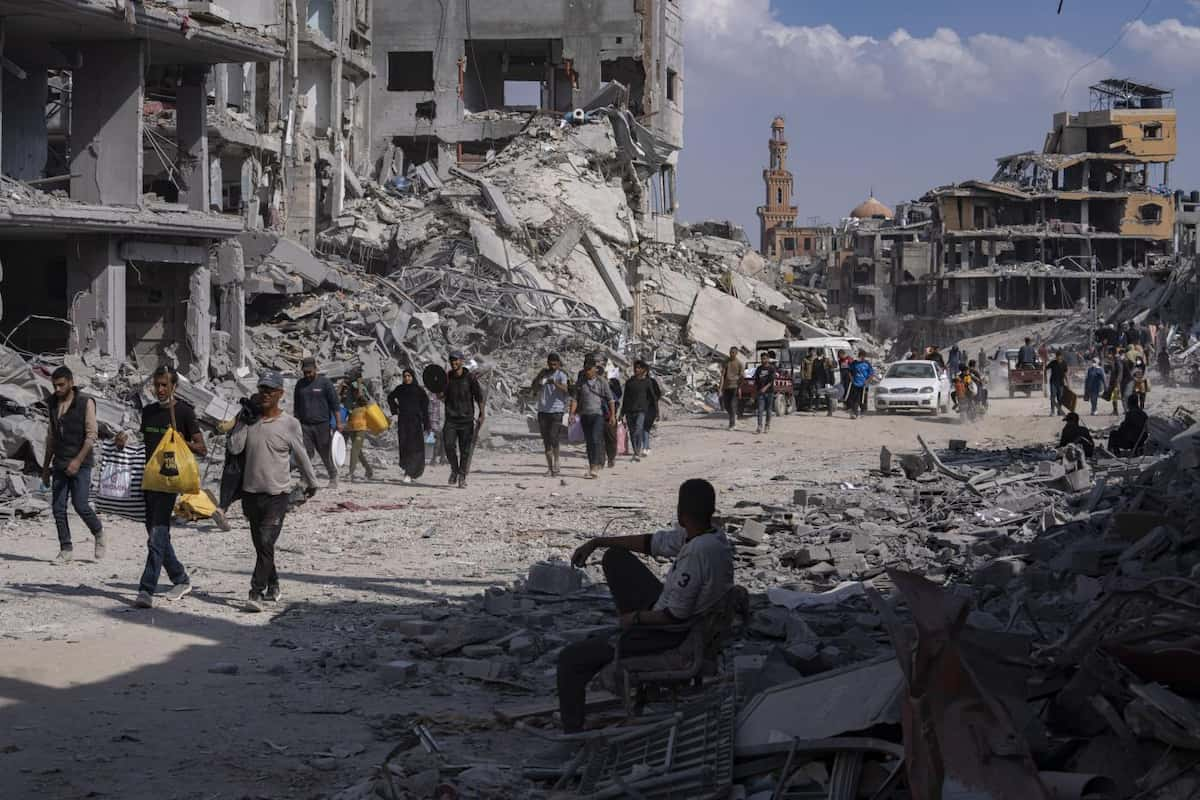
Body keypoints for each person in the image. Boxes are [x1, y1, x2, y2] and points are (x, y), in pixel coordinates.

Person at [557, 479, 734, 734]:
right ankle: (627, 632)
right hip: (678, 612)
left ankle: (574, 731)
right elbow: (653, 543)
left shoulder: (698, 553)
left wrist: (636, 619)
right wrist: (599, 542)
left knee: (571, 659)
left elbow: (675, 615)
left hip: (671, 634)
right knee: (616, 557)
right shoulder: (711, 536)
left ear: (681, 513)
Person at [228, 372, 319, 611]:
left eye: (270, 390)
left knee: (267, 541)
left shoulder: (289, 423)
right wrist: (242, 421)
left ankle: (255, 592)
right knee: (262, 546)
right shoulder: (251, 420)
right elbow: (234, 447)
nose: (265, 394)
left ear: (280, 394)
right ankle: (274, 583)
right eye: (262, 389)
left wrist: (312, 482)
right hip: (250, 493)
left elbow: (301, 455)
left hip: (277, 495)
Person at [124, 366, 207, 609]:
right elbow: (144, 445)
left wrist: (184, 442)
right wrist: (122, 441)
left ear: (174, 387)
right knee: (156, 534)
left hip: (170, 482)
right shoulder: (148, 412)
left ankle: (145, 589)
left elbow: (201, 448)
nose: (160, 390)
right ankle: (180, 578)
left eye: (164, 385)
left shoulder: (184, 412)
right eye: (156, 385)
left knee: (157, 535)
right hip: (149, 480)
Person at [43, 366, 104, 564]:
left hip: (82, 462)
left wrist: (77, 461)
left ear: (70, 382)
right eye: (55, 385)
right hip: (60, 462)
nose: (58, 389)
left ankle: (98, 532)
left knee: (80, 504)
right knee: (58, 508)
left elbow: (91, 435)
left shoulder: (85, 402)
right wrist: (45, 467)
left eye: (61, 385)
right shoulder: (52, 403)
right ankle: (66, 549)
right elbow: (51, 436)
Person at [293, 357, 342, 489]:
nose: (307, 375)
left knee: (325, 452)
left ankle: (333, 476)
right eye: (305, 372)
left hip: (322, 425)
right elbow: (296, 406)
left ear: (315, 369)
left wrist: (338, 423)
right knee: (305, 453)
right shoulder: (300, 384)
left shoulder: (325, 383)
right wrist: (295, 423)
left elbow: (335, 404)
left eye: (310, 371)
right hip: (305, 425)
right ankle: (304, 479)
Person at [442, 351, 485, 489]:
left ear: (462, 361)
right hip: (451, 419)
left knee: (465, 450)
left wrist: (482, 414)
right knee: (448, 446)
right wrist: (439, 394)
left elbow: (479, 397)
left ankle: (462, 476)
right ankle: (454, 469)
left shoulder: (470, 378)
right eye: (451, 360)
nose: (453, 363)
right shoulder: (447, 378)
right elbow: (443, 396)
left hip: (466, 419)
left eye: (456, 360)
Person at [570, 362, 613, 479]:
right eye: (586, 369)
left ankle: (596, 466)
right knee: (589, 442)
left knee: (595, 438)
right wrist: (572, 414)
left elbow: (610, 399)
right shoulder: (580, 383)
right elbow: (575, 399)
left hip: (598, 415)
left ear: (595, 369)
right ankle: (592, 465)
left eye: (590, 369)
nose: (588, 371)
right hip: (585, 415)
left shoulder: (601, 382)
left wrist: (613, 415)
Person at [387, 368, 430, 484]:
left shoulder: (419, 391)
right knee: (405, 446)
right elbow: (390, 398)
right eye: (405, 376)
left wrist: (427, 425)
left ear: (413, 377)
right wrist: (395, 411)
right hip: (403, 422)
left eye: (409, 376)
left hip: (415, 423)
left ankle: (410, 473)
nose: (407, 378)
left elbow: (425, 409)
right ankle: (408, 470)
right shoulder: (400, 389)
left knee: (415, 448)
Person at [531, 353, 570, 476]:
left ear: (558, 363)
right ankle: (549, 468)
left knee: (554, 437)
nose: (552, 366)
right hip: (543, 410)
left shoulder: (561, 375)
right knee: (546, 440)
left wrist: (554, 383)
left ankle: (557, 462)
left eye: (555, 364)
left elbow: (566, 389)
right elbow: (534, 388)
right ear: (547, 363)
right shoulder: (543, 374)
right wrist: (539, 382)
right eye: (550, 364)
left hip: (557, 410)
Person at [340, 371, 375, 482]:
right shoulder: (348, 391)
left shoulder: (361, 391)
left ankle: (351, 473)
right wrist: (341, 387)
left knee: (354, 449)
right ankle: (369, 470)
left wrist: (359, 386)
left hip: (361, 426)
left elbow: (363, 399)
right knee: (358, 451)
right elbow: (338, 400)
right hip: (351, 425)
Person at [620, 361, 655, 461]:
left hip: (641, 411)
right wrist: (622, 413)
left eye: (639, 368)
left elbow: (652, 397)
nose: (636, 369)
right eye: (635, 367)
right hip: (629, 411)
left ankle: (638, 450)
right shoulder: (629, 382)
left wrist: (654, 411)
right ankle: (636, 452)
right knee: (632, 432)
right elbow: (625, 398)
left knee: (638, 430)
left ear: (643, 370)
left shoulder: (647, 382)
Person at [752, 351, 776, 434]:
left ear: (768, 359)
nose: (763, 360)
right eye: (762, 359)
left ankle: (767, 425)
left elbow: (771, 381)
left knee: (769, 410)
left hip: (769, 392)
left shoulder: (771, 368)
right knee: (760, 410)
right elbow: (756, 380)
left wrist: (765, 388)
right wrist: (755, 390)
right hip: (760, 392)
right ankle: (759, 426)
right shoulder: (759, 368)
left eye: (765, 358)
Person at [720, 347, 743, 429]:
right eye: (730, 352)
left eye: (733, 352)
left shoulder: (739, 363)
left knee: (732, 405)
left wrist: (740, 388)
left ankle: (732, 424)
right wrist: (720, 388)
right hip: (726, 387)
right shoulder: (726, 362)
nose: (731, 354)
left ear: (736, 353)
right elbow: (722, 376)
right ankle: (733, 416)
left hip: (735, 387)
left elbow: (742, 377)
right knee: (726, 405)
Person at [605, 368, 623, 469]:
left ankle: (611, 458)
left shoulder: (614, 383)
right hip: (598, 414)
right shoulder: (596, 382)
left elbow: (618, 397)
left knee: (611, 438)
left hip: (610, 414)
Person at [847, 350, 873, 419]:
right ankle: (855, 413)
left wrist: (867, 381)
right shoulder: (854, 363)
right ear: (859, 356)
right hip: (855, 383)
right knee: (855, 399)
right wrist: (851, 379)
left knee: (863, 399)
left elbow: (871, 374)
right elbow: (849, 371)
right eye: (861, 356)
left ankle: (863, 412)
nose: (862, 358)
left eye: (863, 357)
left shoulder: (867, 364)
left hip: (864, 384)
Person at [1045, 351, 1068, 416]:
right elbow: (1046, 368)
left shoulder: (1064, 363)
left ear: (1061, 356)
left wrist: (1068, 383)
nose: (1058, 357)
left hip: (1061, 383)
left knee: (1060, 398)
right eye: (1057, 356)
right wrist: (1045, 377)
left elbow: (1065, 374)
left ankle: (1059, 410)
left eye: (1060, 356)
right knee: (1053, 397)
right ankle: (1052, 411)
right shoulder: (1053, 362)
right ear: (1056, 356)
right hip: (1053, 383)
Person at [812, 352, 835, 416]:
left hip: (826, 381)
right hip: (819, 381)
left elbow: (831, 373)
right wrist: (813, 381)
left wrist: (831, 382)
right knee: (817, 395)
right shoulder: (816, 361)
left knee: (827, 396)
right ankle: (816, 411)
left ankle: (830, 411)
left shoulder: (828, 362)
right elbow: (814, 371)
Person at [427, 392, 445, 466]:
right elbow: (429, 409)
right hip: (435, 420)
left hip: (442, 420)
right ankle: (435, 459)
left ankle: (441, 459)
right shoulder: (431, 395)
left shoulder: (443, 393)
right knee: (438, 439)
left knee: (442, 439)